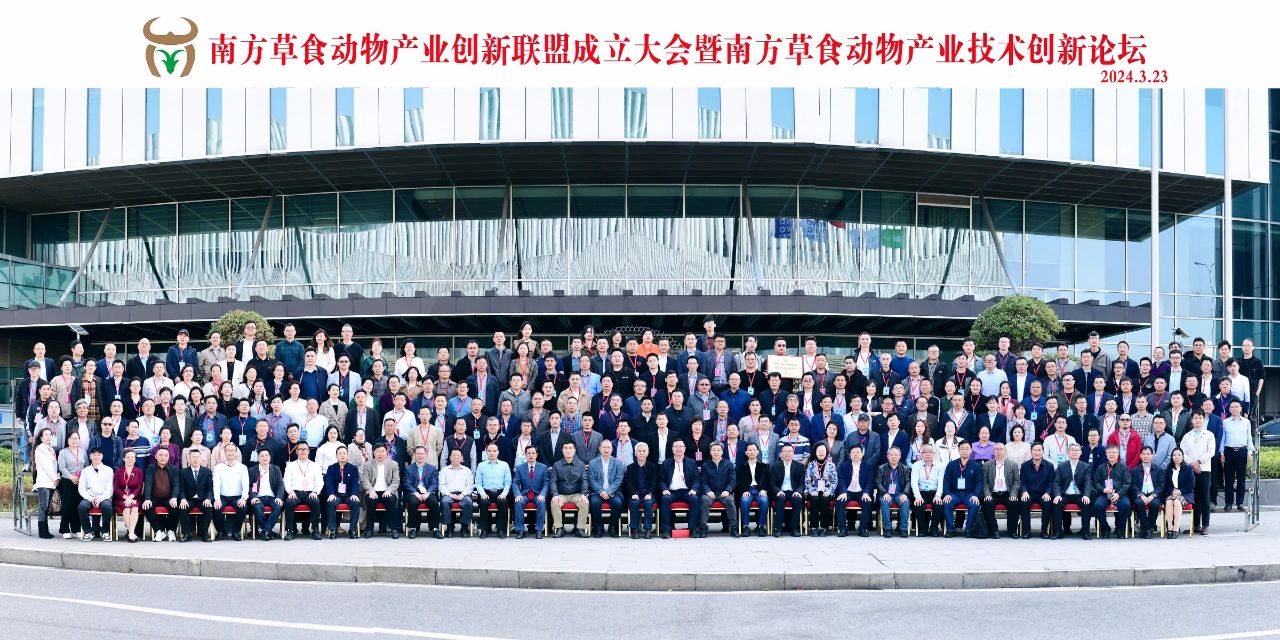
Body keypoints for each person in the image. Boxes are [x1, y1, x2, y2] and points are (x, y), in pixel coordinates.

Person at [1179, 412, 1216, 535]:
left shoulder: (1209, 435)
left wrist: (1199, 462)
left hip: (1204, 469)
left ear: (1203, 420)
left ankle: (1205, 525)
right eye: (1195, 418)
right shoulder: (1187, 436)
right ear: (1192, 420)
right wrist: (1192, 464)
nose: (1198, 420)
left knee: (1205, 498)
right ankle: (1195, 525)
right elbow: (1182, 452)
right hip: (1191, 470)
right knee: (1194, 499)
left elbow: (1211, 451)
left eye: (1200, 418)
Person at [281, 442, 323, 540]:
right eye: (300, 449)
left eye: (305, 449)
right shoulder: (290, 465)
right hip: (295, 493)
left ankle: (315, 530)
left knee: (316, 502)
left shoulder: (315, 466)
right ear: (296, 451)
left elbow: (320, 482)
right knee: (289, 503)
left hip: (310, 493)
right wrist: (290, 491)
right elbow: (286, 481)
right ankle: (290, 531)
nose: (302, 451)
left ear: (308, 451)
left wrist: (315, 492)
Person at [659, 439, 701, 538]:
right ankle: (666, 530)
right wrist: (664, 489)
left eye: (681, 446)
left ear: (684, 449)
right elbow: (661, 480)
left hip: (687, 491)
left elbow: (696, 479)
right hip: (671, 492)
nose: (678, 448)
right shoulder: (666, 463)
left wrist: (694, 489)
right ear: (672, 449)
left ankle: (693, 529)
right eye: (676, 446)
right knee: (665, 499)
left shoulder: (692, 462)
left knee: (694, 499)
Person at [360, 443, 402, 538]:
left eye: (383, 451)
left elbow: (396, 480)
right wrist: (371, 490)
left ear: (386, 452)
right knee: (370, 500)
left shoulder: (393, 464)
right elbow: (365, 480)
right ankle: (369, 529)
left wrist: (389, 490)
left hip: (387, 491)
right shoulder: (367, 465)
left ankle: (394, 529)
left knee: (390, 500)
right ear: (373, 453)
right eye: (378, 451)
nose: (380, 454)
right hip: (373, 491)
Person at [941, 441, 982, 538]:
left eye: (967, 449)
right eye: (962, 449)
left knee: (974, 504)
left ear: (971, 450)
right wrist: (947, 494)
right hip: (954, 493)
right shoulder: (951, 465)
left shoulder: (976, 466)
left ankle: (968, 529)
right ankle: (950, 529)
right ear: (958, 450)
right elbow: (946, 481)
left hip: (969, 494)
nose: (964, 451)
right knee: (947, 502)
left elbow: (979, 483)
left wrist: (975, 495)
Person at [1052, 444, 1093, 540]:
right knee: (1056, 503)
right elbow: (1057, 482)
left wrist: (1086, 495)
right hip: (1065, 494)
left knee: (1086, 503)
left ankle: (1085, 532)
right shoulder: (1062, 466)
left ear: (1080, 453)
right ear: (1068, 452)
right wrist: (1057, 495)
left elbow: (1088, 482)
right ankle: (1058, 531)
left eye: (1077, 450)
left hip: (1079, 494)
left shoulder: (1086, 466)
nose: (1074, 452)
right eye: (1072, 450)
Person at [981, 442, 1020, 539]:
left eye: (1001, 449)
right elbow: (985, 482)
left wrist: (1013, 494)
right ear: (993, 452)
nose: (999, 451)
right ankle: (994, 530)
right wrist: (987, 494)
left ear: (1005, 451)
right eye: (996, 449)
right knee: (987, 503)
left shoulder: (1012, 465)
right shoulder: (987, 465)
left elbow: (1016, 482)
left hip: (1007, 493)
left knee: (1014, 503)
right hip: (993, 493)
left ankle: (1012, 530)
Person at [698, 441, 738, 537]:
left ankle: (733, 528)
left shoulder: (729, 464)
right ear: (710, 452)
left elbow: (733, 480)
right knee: (704, 500)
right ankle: (703, 528)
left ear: (722, 452)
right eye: (714, 450)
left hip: (724, 492)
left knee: (729, 500)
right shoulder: (705, 465)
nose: (716, 452)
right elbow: (703, 481)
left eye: (718, 450)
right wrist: (707, 491)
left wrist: (728, 490)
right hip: (710, 492)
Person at [1220, 400, 1253, 512]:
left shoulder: (1246, 422)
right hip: (1229, 452)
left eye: (1236, 407)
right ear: (1229, 409)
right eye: (1232, 407)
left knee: (1241, 479)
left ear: (1240, 408)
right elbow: (1223, 439)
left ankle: (1240, 502)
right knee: (1228, 479)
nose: (1234, 409)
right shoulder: (1225, 422)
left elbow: (1249, 437)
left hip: (1242, 452)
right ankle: (1228, 503)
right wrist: (1221, 453)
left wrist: (1249, 452)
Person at [246, 448, 285, 540]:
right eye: (262, 456)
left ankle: (265, 531)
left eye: (266, 455)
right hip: (258, 497)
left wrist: (279, 497)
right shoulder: (252, 470)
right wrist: (253, 497)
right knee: (256, 507)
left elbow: (281, 484)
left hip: (273, 497)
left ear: (270, 457)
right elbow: (248, 486)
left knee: (278, 506)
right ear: (258, 458)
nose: (264, 457)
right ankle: (268, 531)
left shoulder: (276, 469)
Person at [836, 443, 874, 537]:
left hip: (861, 492)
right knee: (839, 502)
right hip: (847, 492)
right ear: (850, 454)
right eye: (853, 452)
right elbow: (841, 480)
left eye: (858, 452)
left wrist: (866, 493)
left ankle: (863, 529)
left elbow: (870, 481)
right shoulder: (844, 466)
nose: (855, 454)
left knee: (867, 502)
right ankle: (843, 529)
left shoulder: (868, 466)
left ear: (862, 454)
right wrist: (843, 492)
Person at [142, 446, 180, 541]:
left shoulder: (174, 469)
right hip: (154, 497)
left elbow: (176, 485)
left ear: (169, 457)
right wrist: (147, 499)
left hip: (168, 497)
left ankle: (171, 530)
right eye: (161, 455)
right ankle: (159, 531)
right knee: (146, 506)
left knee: (175, 507)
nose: (163, 457)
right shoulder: (150, 468)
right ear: (156, 456)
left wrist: (174, 497)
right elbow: (148, 484)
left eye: (166, 455)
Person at [324, 445, 363, 539]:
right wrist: (331, 494)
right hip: (336, 494)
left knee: (355, 503)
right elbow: (329, 482)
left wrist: (354, 494)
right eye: (340, 453)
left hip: (349, 494)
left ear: (348, 455)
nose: (342, 455)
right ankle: (333, 529)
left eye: (344, 453)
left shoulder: (353, 468)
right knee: (331, 503)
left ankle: (352, 529)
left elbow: (355, 483)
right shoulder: (331, 468)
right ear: (336, 456)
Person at [511, 445, 548, 539]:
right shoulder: (520, 468)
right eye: (529, 453)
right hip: (525, 494)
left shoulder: (543, 467)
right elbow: (515, 483)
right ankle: (520, 530)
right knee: (518, 502)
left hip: (538, 494)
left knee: (541, 502)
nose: (531, 455)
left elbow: (546, 483)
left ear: (537, 454)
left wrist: (542, 495)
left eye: (533, 453)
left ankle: (539, 530)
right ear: (525, 454)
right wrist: (517, 494)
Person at [77, 447, 114, 541]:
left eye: (98, 455)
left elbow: (110, 489)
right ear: (90, 456)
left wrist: (101, 498)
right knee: (82, 506)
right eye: (94, 455)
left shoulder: (108, 470)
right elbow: (81, 488)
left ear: (102, 456)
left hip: (104, 497)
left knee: (107, 507)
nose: (96, 457)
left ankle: (105, 531)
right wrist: (91, 499)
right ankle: (88, 532)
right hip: (89, 497)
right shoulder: (85, 471)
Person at [1019, 443, 1054, 539]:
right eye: (1034, 450)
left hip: (1043, 493)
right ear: (1031, 452)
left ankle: (1044, 531)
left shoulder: (1049, 466)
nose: (1037, 452)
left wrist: (1048, 493)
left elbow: (1051, 483)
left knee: (1047, 502)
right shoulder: (1024, 465)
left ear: (1043, 452)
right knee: (1024, 501)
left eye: (1039, 450)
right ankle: (1027, 531)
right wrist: (1024, 491)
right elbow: (1022, 482)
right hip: (1029, 493)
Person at [178, 448, 214, 542]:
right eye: (193, 457)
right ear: (189, 459)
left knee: (208, 507)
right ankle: (186, 534)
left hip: (202, 499)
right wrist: (183, 499)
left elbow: (210, 489)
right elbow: (181, 489)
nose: (195, 459)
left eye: (197, 457)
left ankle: (205, 534)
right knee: (182, 508)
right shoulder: (183, 472)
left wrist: (208, 499)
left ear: (201, 459)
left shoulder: (207, 472)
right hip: (189, 499)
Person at [770, 443, 805, 537]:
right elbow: (772, 483)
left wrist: (798, 491)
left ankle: (794, 528)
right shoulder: (776, 466)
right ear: (781, 454)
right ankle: (778, 528)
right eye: (785, 451)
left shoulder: (799, 466)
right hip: (780, 491)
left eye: (790, 451)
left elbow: (802, 483)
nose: (787, 453)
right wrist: (778, 491)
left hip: (794, 491)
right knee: (780, 499)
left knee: (798, 499)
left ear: (793, 453)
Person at [875, 446, 911, 538]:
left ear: (900, 456)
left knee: (905, 502)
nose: (894, 457)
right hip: (886, 493)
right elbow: (878, 482)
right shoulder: (881, 468)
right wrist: (884, 493)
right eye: (891, 455)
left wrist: (905, 494)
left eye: (896, 455)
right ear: (887, 456)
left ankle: (903, 528)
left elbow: (908, 482)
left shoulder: (905, 468)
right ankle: (887, 528)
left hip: (900, 494)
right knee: (884, 501)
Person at [438, 448, 475, 537]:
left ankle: (464, 527)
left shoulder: (467, 470)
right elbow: (441, 485)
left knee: (468, 502)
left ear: (462, 458)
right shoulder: (444, 470)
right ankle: (449, 527)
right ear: (450, 457)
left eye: (458, 456)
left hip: (463, 494)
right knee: (445, 502)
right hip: (448, 494)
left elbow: (470, 485)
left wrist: (463, 494)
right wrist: (449, 494)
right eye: (454, 455)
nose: (456, 457)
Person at [113, 449, 145, 543]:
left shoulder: (139, 471)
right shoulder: (118, 471)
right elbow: (116, 488)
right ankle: (132, 533)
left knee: (134, 507)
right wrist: (125, 497)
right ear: (124, 459)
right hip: (121, 498)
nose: (130, 459)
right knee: (126, 507)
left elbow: (140, 486)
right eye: (128, 457)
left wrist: (130, 497)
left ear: (135, 459)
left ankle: (131, 532)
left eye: (132, 457)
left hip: (135, 497)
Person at [1163, 448, 1195, 538]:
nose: (1177, 457)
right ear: (1172, 457)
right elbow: (1167, 484)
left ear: (1182, 457)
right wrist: (1172, 491)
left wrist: (1180, 491)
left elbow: (1191, 484)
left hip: (1186, 494)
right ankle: (1170, 528)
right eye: (1174, 455)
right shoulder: (1169, 469)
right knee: (1168, 501)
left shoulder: (1188, 468)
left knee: (1177, 501)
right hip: (1173, 493)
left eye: (1179, 455)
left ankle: (1176, 528)